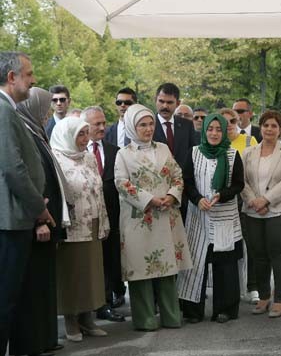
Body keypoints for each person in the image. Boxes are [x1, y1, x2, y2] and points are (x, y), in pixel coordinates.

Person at [115, 104, 192, 331]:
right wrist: (149, 199)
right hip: (140, 219)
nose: (148, 129)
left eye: (151, 124)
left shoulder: (163, 149)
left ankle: (171, 316)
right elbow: (122, 184)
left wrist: (171, 195)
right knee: (140, 270)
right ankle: (146, 320)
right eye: (142, 125)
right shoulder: (123, 154)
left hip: (166, 215)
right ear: (132, 127)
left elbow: (178, 175)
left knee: (167, 268)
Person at [0, 52, 55, 356]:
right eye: (29, 74)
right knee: (5, 300)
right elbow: (13, 168)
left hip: (16, 218)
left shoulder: (10, 110)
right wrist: (40, 209)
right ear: (12, 77)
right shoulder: (3, 111)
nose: (33, 81)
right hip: (11, 221)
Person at [11, 87, 70, 356]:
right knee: (34, 285)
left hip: (49, 220)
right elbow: (33, 179)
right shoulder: (26, 133)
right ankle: (33, 340)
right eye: (44, 106)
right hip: (39, 223)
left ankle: (46, 337)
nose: (48, 112)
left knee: (46, 284)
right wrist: (40, 221)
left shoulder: (37, 131)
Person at [178, 114, 245, 323]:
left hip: (224, 217)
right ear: (204, 131)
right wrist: (197, 199)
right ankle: (192, 311)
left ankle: (225, 310)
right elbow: (186, 181)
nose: (214, 133)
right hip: (198, 217)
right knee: (195, 263)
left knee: (225, 265)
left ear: (224, 131)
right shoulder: (194, 153)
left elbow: (238, 184)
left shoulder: (233, 154)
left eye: (218, 129)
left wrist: (221, 195)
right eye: (210, 129)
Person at [51, 116, 111, 342]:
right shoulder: (56, 157)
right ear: (68, 136)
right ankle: (71, 320)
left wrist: (104, 221)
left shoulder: (88, 158)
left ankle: (87, 319)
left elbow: (99, 190)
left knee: (91, 274)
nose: (86, 139)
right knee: (72, 275)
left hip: (93, 222)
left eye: (87, 133)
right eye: (81, 135)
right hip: (72, 226)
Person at [241, 110, 281, 318]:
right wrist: (253, 201)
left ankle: (280, 299)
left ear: (280, 129)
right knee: (259, 256)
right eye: (266, 125)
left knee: (278, 254)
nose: (269, 129)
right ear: (261, 128)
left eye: (274, 126)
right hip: (253, 211)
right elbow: (243, 182)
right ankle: (264, 296)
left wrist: (266, 200)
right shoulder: (249, 152)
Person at [82, 106, 127, 322]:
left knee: (110, 260)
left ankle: (107, 303)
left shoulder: (115, 151)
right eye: (96, 124)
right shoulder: (79, 151)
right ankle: (91, 304)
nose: (102, 127)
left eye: (103, 123)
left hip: (113, 216)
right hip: (86, 217)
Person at [218, 107, 259, 304]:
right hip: (224, 201)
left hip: (246, 199)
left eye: (232, 121)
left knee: (251, 244)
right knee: (229, 247)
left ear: (238, 123)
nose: (228, 126)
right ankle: (232, 288)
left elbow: (256, 173)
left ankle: (253, 286)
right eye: (223, 123)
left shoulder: (250, 142)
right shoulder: (216, 144)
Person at [153, 83, 198, 222]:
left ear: (177, 103)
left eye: (169, 102)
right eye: (161, 101)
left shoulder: (187, 125)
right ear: (155, 100)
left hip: (184, 192)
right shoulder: (147, 125)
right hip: (157, 193)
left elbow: (194, 155)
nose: (165, 106)